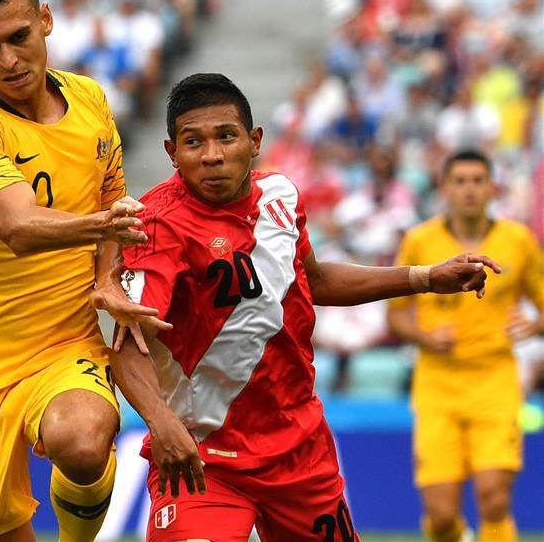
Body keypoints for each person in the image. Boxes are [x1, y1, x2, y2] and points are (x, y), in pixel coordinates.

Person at [108, 73, 500, 541]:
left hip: (299, 450)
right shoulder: (156, 225)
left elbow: (312, 280)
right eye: (194, 142)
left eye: (226, 137)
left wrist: (425, 277)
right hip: (203, 458)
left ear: (254, 141)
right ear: (172, 152)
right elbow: (128, 344)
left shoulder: (281, 196)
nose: (211, 155)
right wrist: (161, 423)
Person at [0, 0, 167, 542]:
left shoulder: (90, 101)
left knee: (84, 440)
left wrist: (108, 280)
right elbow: (19, 227)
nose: (7, 59)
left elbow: (111, 194)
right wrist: (106, 225)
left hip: (62, 344)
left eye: (18, 37)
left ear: (47, 21)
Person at [387, 149, 543, 542]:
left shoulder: (518, 241)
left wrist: (536, 321)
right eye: (460, 181)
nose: (469, 189)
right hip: (437, 386)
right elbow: (395, 315)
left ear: (492, 187)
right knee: (440, 517)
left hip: (496, 382)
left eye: (477, 180)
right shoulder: (420, 241)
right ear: (444, 188)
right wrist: (424, 336)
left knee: (493, 499)